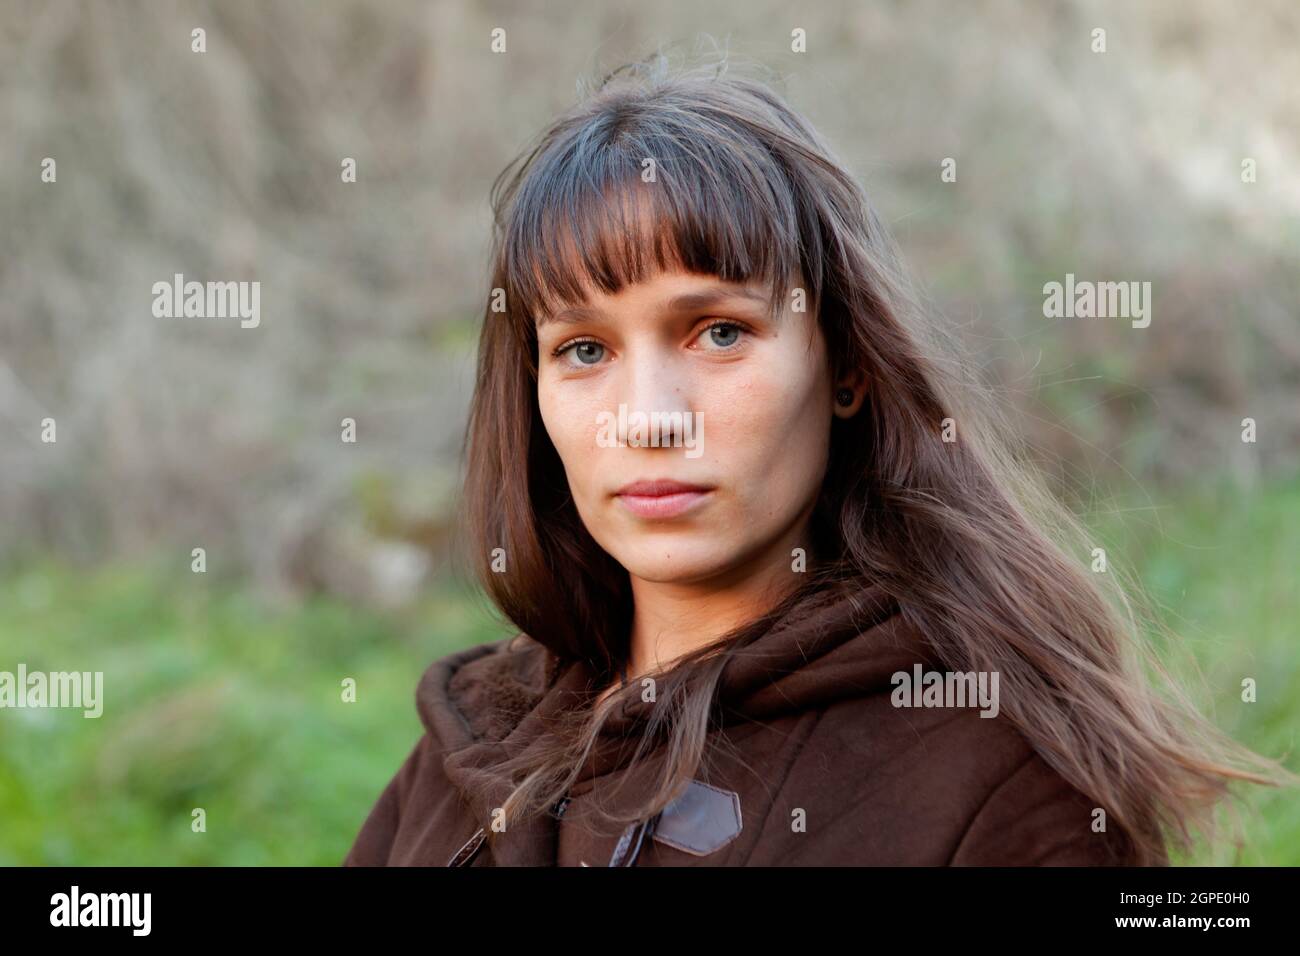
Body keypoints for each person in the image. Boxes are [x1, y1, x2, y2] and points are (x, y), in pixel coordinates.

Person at [344, 49, 1293, 867]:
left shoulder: (995, 786)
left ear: (844, 366)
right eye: (584, 350)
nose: (649, 420)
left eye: (718, 332)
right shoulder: (470, 743)